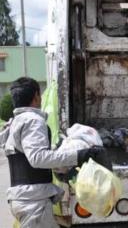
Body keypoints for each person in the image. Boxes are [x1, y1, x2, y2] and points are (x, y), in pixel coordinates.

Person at [0, 77, 104, 228]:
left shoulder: (15, 122)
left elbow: (26, 155)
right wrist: (79, 155)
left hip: (23, 199)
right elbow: (37, 158)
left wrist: (57, 153)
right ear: (36, 96)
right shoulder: (33, 120)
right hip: (33, 202)